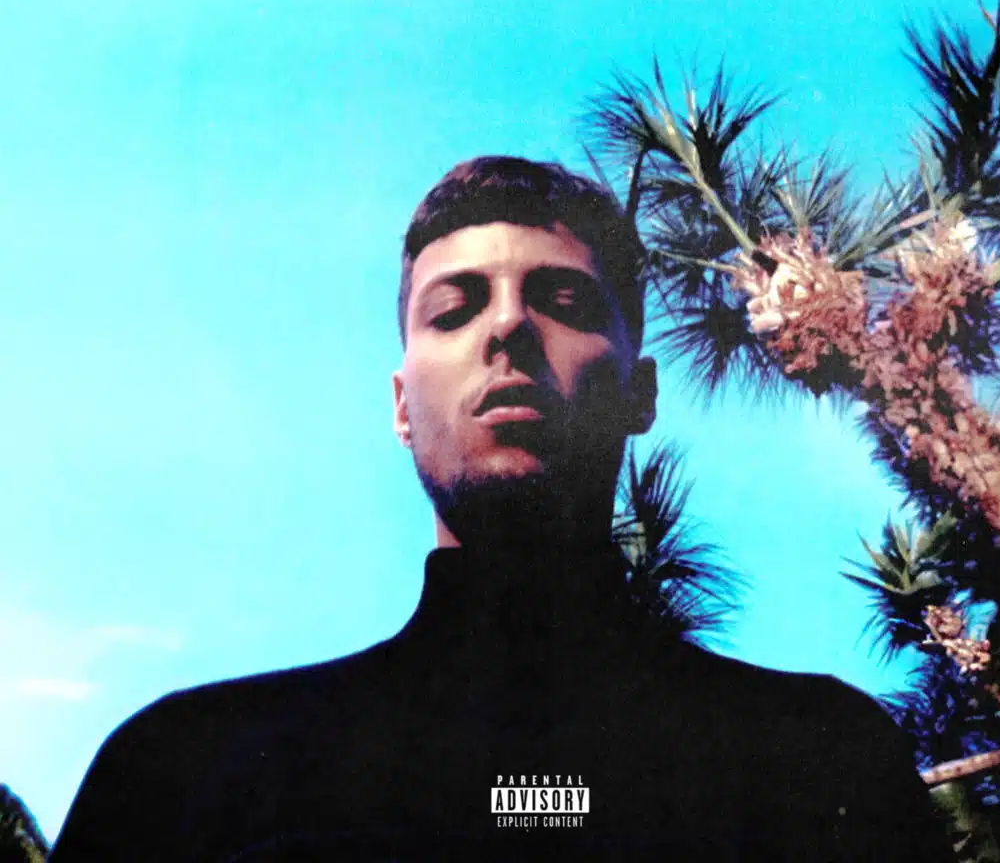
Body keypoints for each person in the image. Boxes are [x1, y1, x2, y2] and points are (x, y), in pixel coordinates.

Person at [50, 157, 953, 862]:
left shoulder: (824, 762)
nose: (508, 327)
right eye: (454, 309)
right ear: (401, 407)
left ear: (640, 394)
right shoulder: (180, 774)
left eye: (562, 301)